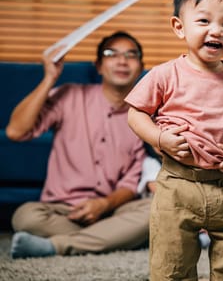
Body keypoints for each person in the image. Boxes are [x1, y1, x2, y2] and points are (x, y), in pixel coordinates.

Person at [125, 0, 223, 280]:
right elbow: (135, 115)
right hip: (177, 185)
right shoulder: (164, 75)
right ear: (180, 27)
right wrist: (161, 138)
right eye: (204, 21)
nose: (216, 31)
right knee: (170, 264)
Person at [6, 31, 151, 259]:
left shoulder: (143, 118)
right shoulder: (70, 95)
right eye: (112, 54)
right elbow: (15, 131)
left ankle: (56, 246)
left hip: (112, 210)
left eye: (131, 55)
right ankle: (112, 237)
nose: (122, 61)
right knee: (24, 217)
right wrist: (49, 79)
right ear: (99, 66)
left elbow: (130, 183)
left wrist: (103, 204)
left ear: (141, 66)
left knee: (156, 210)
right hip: (63, 211)